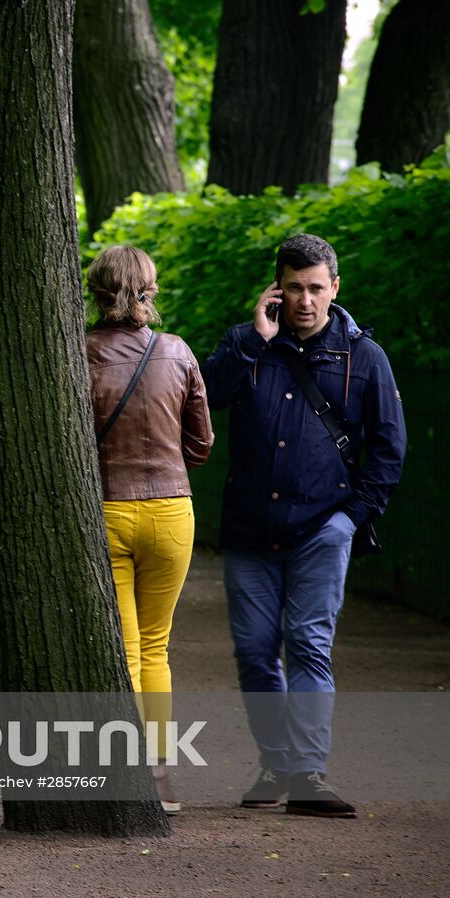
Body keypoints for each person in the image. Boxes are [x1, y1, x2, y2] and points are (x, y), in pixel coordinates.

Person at [201, 234, 406, 818]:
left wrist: (352, 517)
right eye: (294, 288)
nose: (306, 300)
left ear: (335, 288)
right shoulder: (246, 343)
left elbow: (390, 448)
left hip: (324, 527)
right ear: (276, 289)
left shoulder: (364, 356)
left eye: (317, 288)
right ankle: (277, 764)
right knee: (256, 652)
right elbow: (205, 397)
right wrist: (253, 343)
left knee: (308, 644)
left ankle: (310, 775)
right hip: (249, 529)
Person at [84, 246, 213, 815]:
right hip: (171, 512)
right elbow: (202, 445)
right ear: (148, 292)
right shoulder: (177, 352)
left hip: (109, 512)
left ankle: (128, 773)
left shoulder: (77, 354)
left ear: (96, 291)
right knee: (157, 649)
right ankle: (160, 779)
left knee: (128, 652)